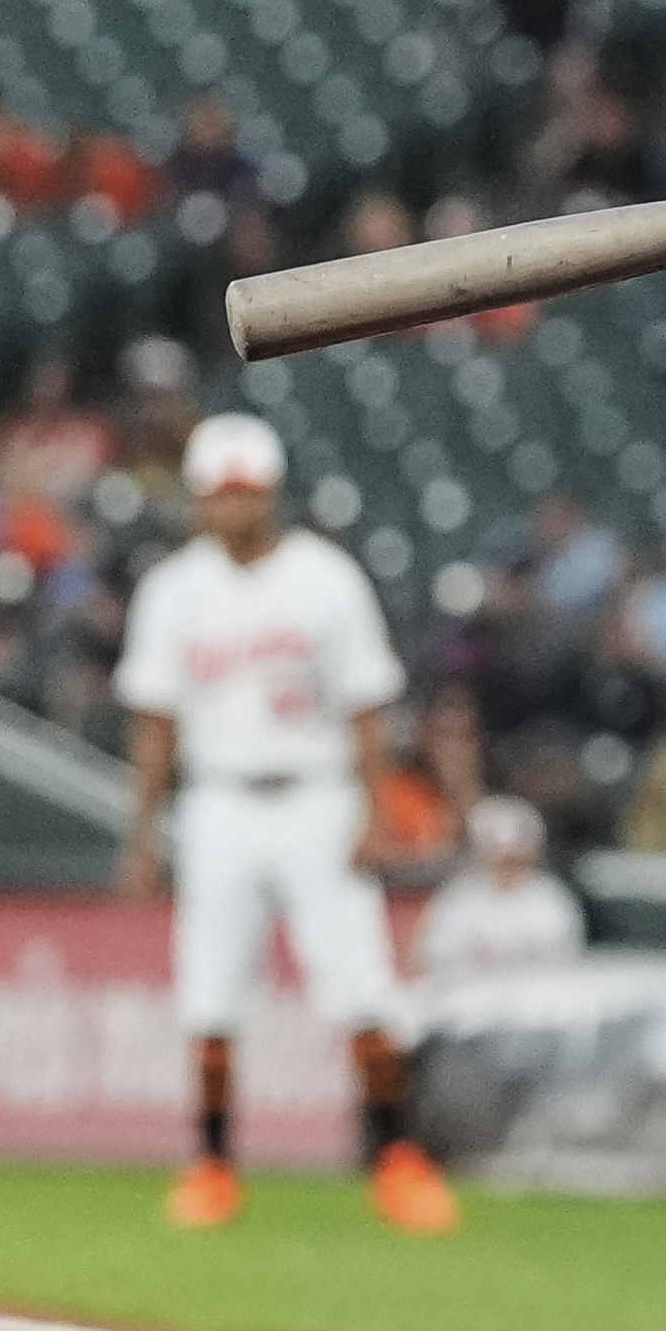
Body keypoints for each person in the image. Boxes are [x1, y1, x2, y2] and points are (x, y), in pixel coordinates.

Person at [113, 414, 458, 1234]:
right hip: (219, 800)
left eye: (245, 493)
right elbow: (155, 723)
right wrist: (141, 832)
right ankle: (211, 1164)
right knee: (209, 996)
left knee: (363, 988)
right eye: (218, 494)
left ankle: (395, 1159)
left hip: (316, 792)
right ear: (198, 499)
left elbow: (367, 705)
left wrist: (375, 809)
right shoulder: (173, 589)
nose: (231, 508)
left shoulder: (324, 579)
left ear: (269, 494)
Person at [414, 794, 586, 981]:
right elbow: (434, 960)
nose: (508, 865)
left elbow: (567, 964)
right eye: (501, 858)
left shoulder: (552, 899)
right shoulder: (457, 899)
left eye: (516, 859)